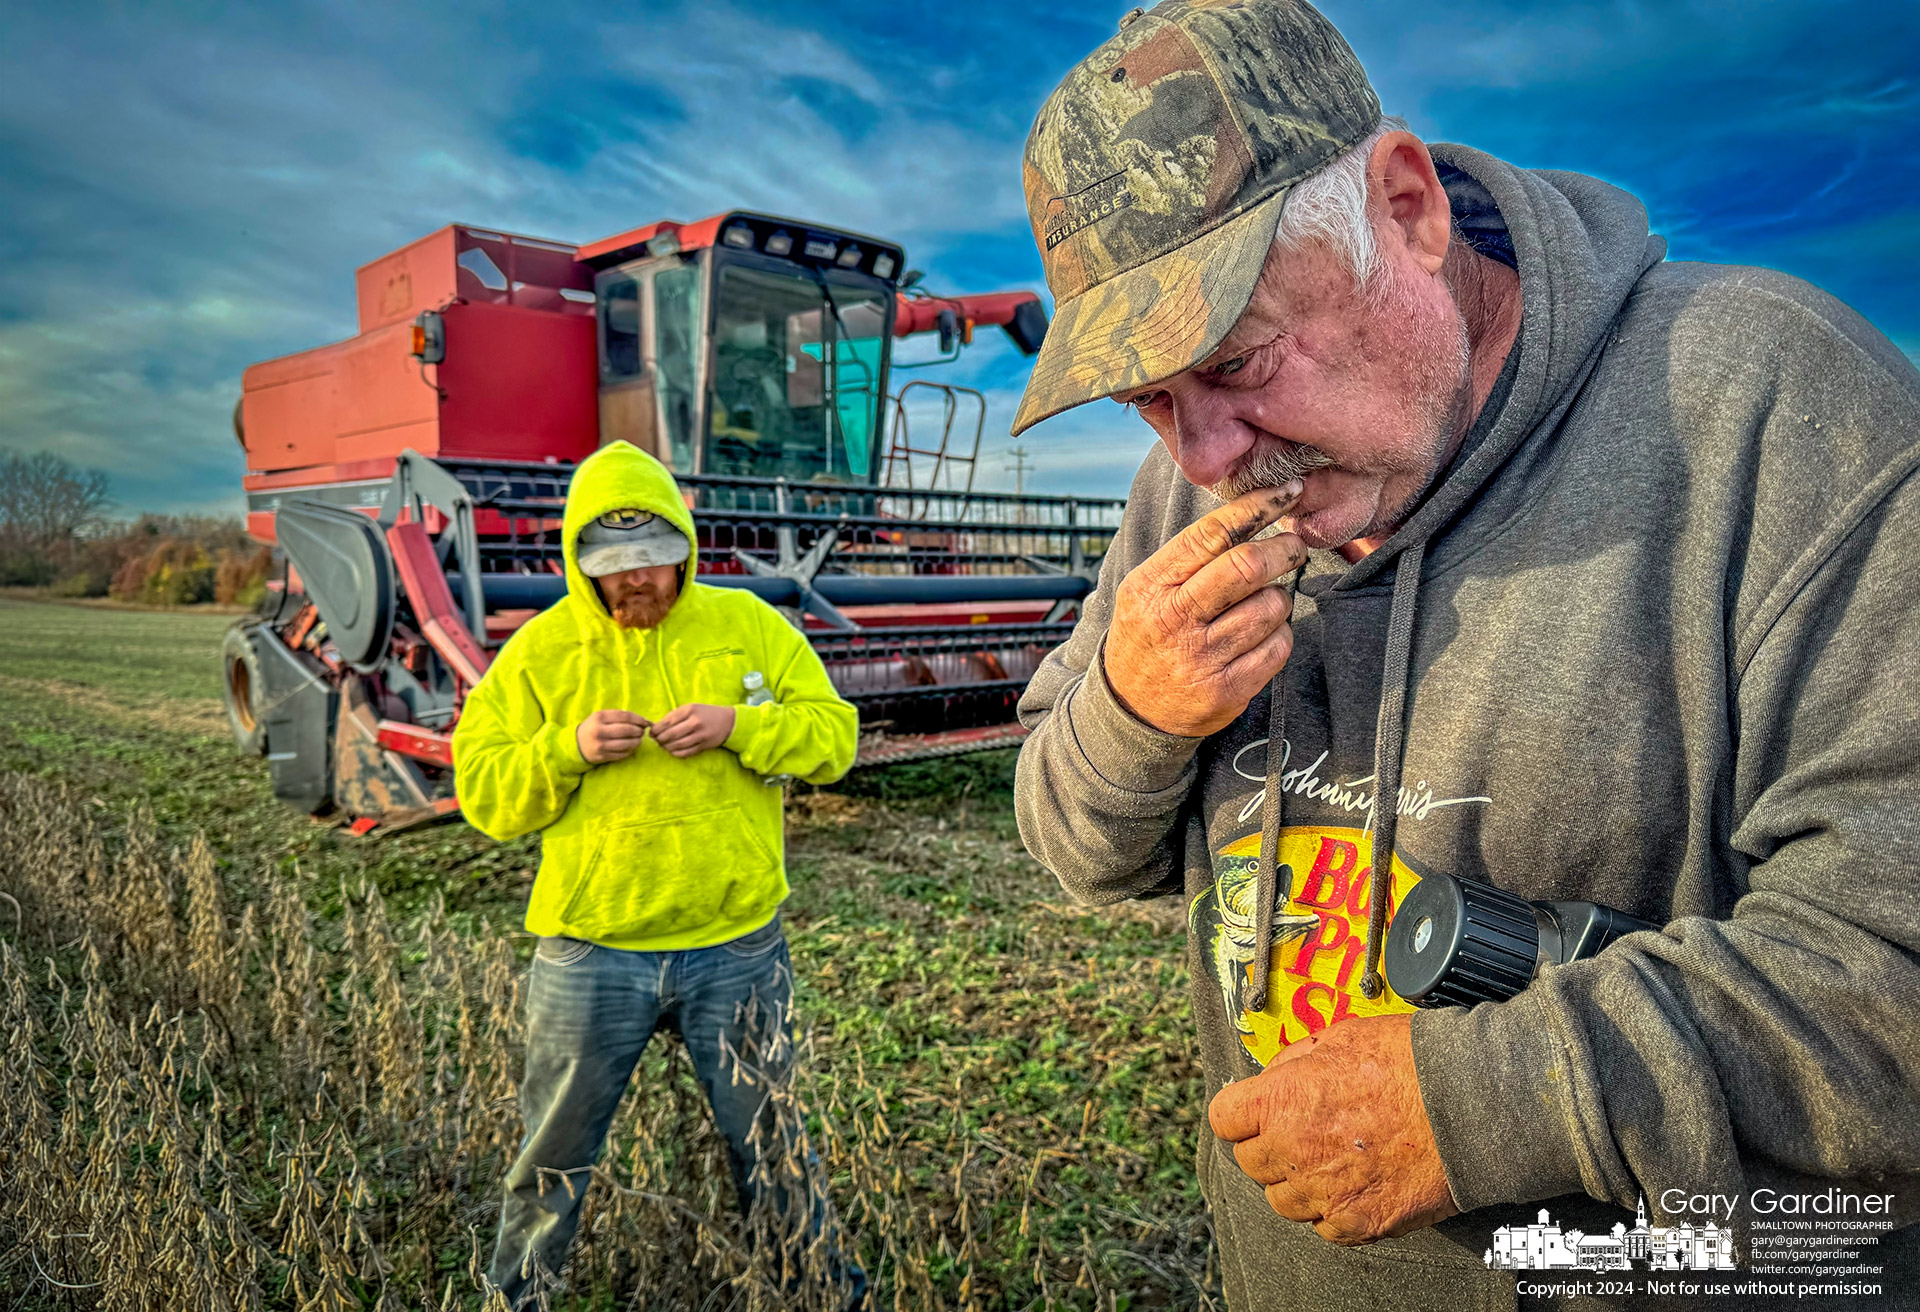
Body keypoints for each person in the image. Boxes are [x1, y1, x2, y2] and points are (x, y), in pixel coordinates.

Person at [1010, 1, 1920, 1308]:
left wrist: (1478, 1107)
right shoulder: (1193, 493)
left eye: (1240, 359)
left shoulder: (1772, 412)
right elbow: (1076, 846)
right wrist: (1131, 710)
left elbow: (1893, 966)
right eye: (1151, 402)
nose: (1206, 458)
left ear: (1407, 208)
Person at [452, 440, 863, 1309]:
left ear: (683, 547)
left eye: (653, 562)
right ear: (578, 564)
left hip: (737, 944)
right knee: (551, 1158)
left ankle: (819, 1290)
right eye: (614, 568)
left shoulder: (749, 625)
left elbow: (834, 741)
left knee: (774, 1141)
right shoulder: (540, 653)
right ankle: (517, 1298)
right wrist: (564, 749)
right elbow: (484, 794)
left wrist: (741, 725)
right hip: (592, 953)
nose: (636, 582)